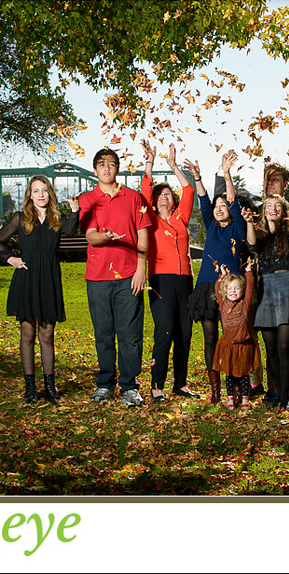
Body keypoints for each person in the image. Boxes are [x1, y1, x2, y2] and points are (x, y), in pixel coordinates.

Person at [0, 175, 80, 405]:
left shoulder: (55, 218)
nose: (40, 194)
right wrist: (10, 259)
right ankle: (30, 387)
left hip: (49, 278)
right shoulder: (20, 218)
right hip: (27, 277)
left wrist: (75, 209)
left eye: (44, 190)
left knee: (47, 334)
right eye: (35, 190)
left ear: (50, 193)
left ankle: (50, 388)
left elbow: (70, 232)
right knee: (28, 332)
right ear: (29, 195)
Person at [78, 147, 152, 405]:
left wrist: (141, 269)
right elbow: (89, 235)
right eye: (101, 164)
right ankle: (105, 383)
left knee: (130, 333)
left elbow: (143, 234)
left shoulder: (134, 198)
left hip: (129, 275)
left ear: (117, 169)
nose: (106, 168)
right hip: (97, 277)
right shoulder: (88, 200)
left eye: (111, 163)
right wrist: (104, 236)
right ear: (95, 170)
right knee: (103, 333)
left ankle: (130, 385)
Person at [183, 151, 246, 404]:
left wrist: (227, 175)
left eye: (223, 206)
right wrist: (198, 178)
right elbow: (203, 200)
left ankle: (235, 389)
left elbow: (234, 203)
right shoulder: (210, 225)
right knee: (210, 337)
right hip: (208, 287)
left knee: (232, 338)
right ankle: (216, 390)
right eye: (216, 206)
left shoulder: (237, 228)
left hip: (231, 288)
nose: (219, 209)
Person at [140, 140, 199, 403]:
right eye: (160, 193)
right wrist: (150, 163)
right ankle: (157, 385)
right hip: (161, 280)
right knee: (165, 329)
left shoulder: (180, 218)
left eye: (168, 193)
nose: (165, 196)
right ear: (155, 200)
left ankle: (181, 384)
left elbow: (188, 189)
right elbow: (143, 194)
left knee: (184, 333)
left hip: (185, 280)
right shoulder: (149, 219)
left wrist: (173, 165)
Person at [246, 188, 289, 410]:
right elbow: (252, 246)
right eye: (269, 206)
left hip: (285, 288)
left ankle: (285, 396)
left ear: (284, 211)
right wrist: (248, 223)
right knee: (270, 347)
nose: (273, 209)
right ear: (263, 211)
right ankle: (276, 392)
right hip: (266, 289)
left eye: (278, 206)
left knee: (284, 346)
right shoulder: (259, 233)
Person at [213, 263, 261, 410]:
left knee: (245, 373)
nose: (233, 291)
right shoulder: (223, 303)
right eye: (230, 288)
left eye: (237, 288)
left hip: (244, 344)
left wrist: (248, 273)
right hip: (228, 345)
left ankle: (245, 399)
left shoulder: (244, 304)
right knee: (229, 374)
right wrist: (222, 275)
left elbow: (250, 288)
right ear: (225, 291)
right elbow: (217, 288)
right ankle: (230, 399)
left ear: (242, 290)